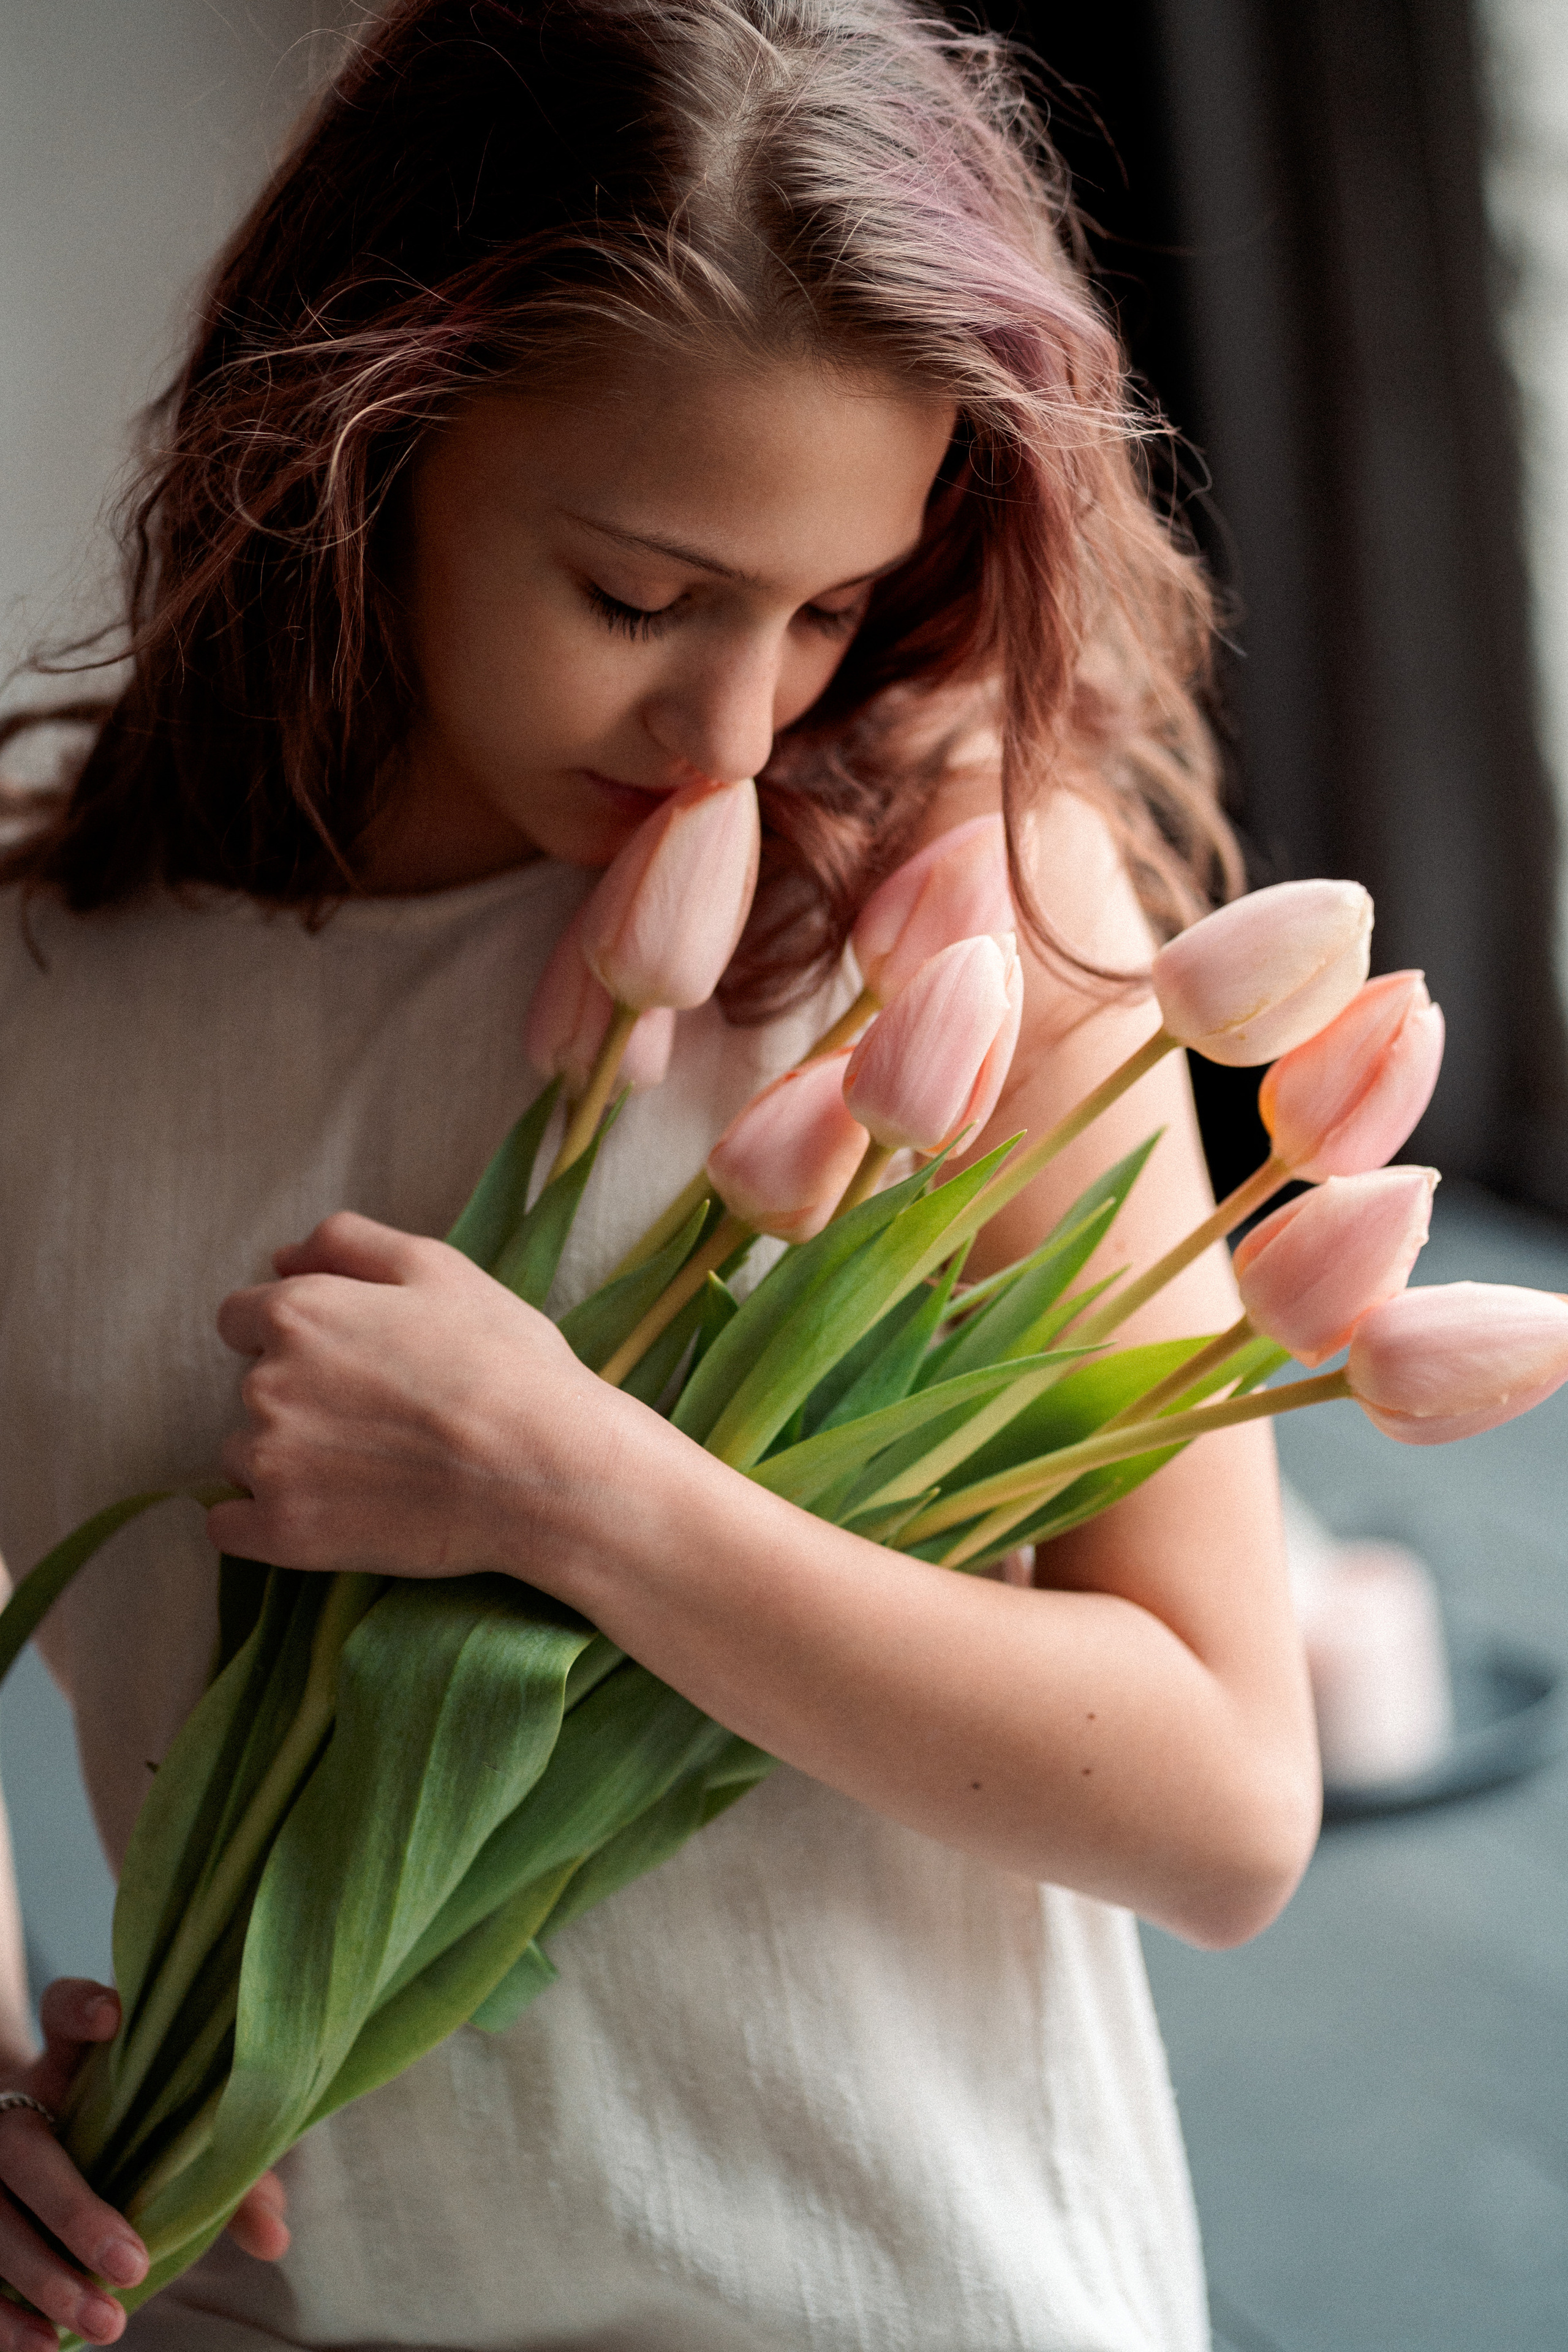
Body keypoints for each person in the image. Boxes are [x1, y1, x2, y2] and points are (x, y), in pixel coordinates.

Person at [0, 1, 1321, 2344]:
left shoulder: (959, 917)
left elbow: (1224, 1808)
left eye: (829, 609)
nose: (736, 728)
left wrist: (570, 1486)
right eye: (640, 594)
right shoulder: (50, 997)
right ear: (362, 447)